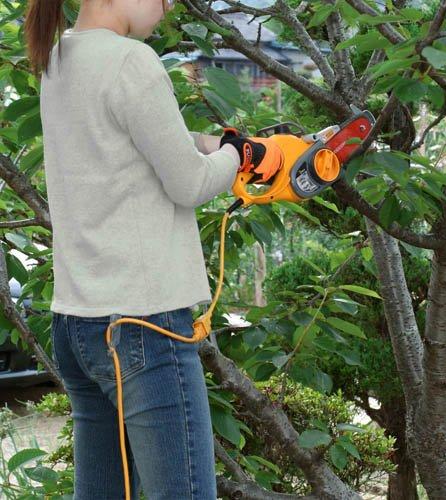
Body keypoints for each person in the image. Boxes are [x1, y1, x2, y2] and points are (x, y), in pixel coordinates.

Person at [24, 0, 281, 498]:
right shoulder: (130, 60)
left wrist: (209, 144)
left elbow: (123, 141)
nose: (168, 3)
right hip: (144, 327)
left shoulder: (58, 59)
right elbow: (189, 184)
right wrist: (238, 153)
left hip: (78, 325)